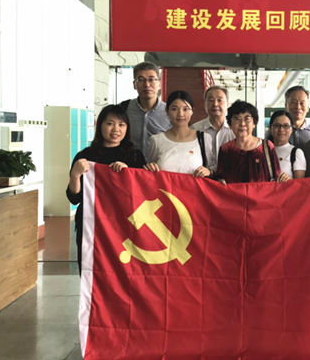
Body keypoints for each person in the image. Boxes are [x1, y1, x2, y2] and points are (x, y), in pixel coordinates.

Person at [66, 104, 146, 275]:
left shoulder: (135, 156)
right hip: (91, 223)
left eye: (121, 125)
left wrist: (129, 174)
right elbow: (74, 198)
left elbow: (143, 194)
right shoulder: (85, 156)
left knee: (123, 273)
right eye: (110, 123)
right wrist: (75, 175)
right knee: (91, 271)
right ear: (100, 125)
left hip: (124, 225)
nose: (116, 129)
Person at [216, 100, 290, 184]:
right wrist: (220, 181)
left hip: (262, 193)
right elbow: (220, 177)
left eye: (247, 119)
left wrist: (285, 179)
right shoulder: (225, 149)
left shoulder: (267, 147)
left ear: (254, 123)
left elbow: (278, 177)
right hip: (233, 193)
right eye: (236, 119)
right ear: (230, 124)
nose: (242, 124)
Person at [144, 90, 215, 177]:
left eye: (185, 109)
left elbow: (212, 167)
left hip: (193, 186)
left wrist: (209, 171)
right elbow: (151, 173)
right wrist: (151, 167)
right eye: (174, 109)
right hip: (166, 186)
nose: (180, 114)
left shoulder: (204, 138)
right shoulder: (156, 140)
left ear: (192, 111)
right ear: (167, 111)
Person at [119, 61, 171, 161]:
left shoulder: (169, 112)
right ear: (134, 84)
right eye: (141, 80)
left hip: (159, 167)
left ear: (160, 84)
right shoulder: (123, 109)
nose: (147, 84)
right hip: (129, 166)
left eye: (151, 79)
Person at [191, 85, 235, 168]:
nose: (215, 104)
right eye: (211, 100)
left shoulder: (235, 129)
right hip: (203, 174)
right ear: (205, 104)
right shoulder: (195, 129)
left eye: (219, 100)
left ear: (227, 104)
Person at [269, 110, 306, 179]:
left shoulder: (296, 153)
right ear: (271, 128)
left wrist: (289, 181)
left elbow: (299, 183)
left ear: (291, 129)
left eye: (286, 126)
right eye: (277, 125)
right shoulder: (263, 151)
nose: (281, 129)